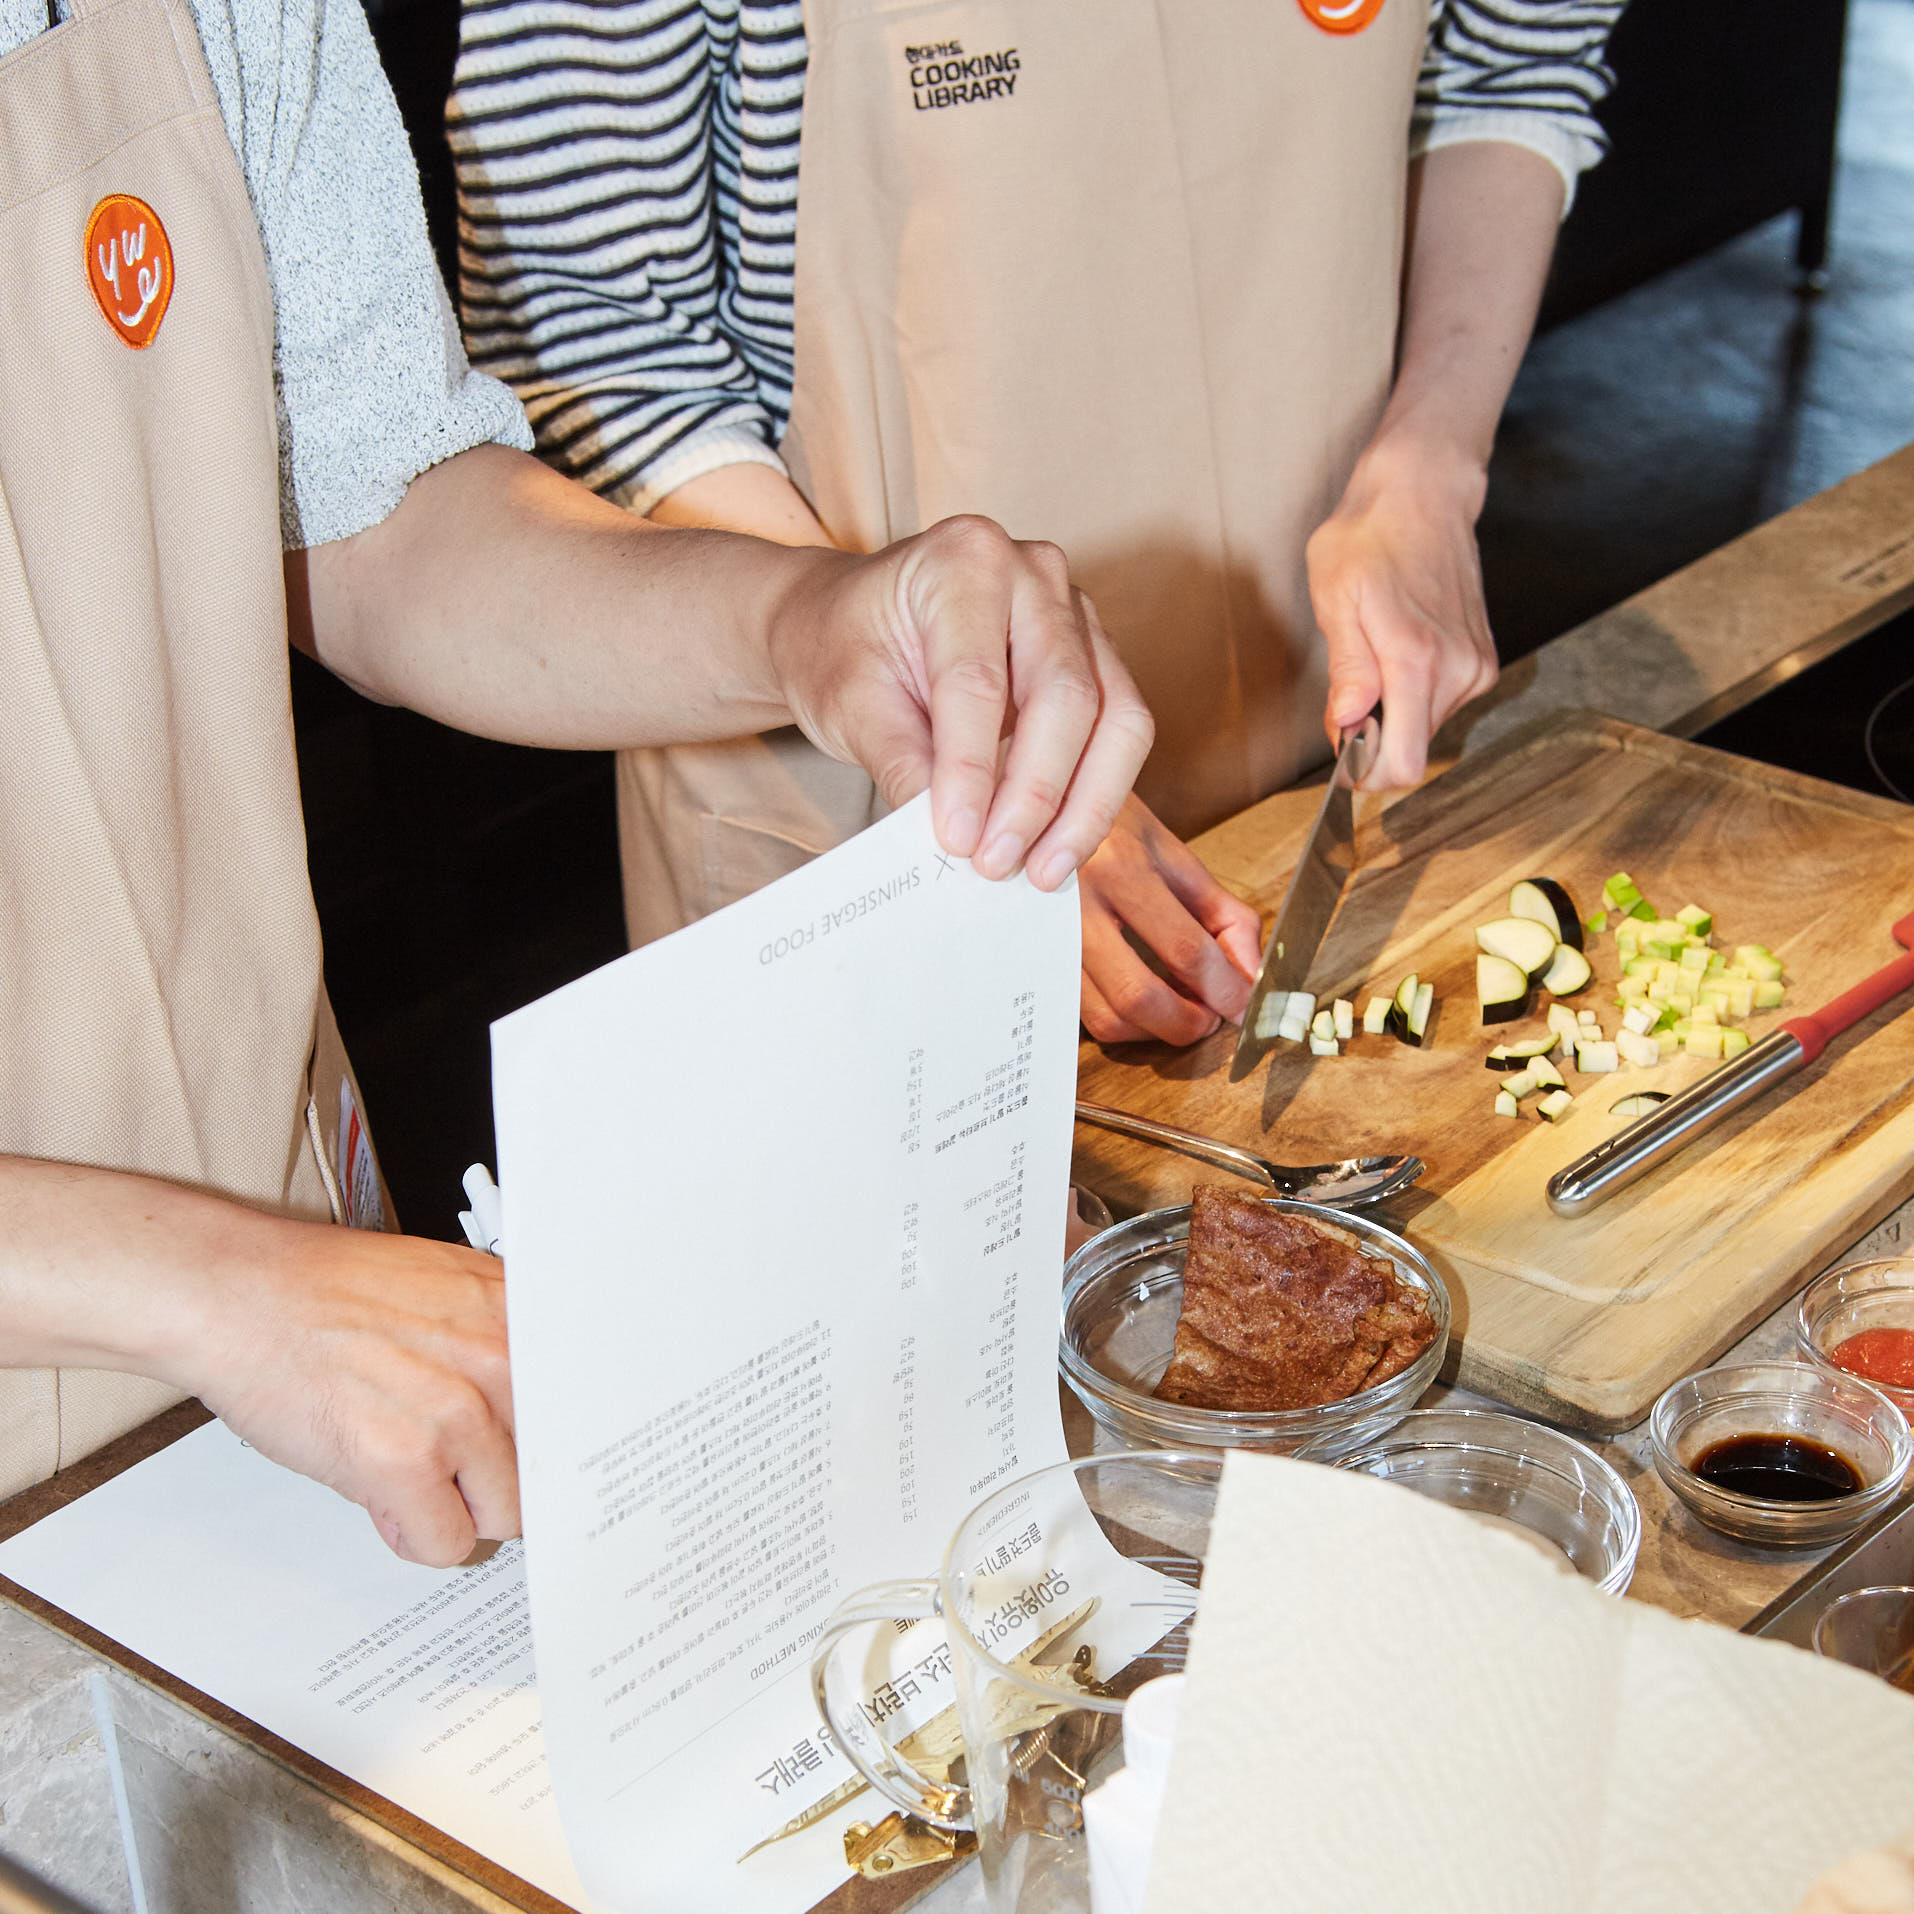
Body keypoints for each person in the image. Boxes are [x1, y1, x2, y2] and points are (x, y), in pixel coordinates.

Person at [0, 0, 1149, 1567]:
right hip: (232, 1296)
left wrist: (802, 620)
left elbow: (379, 519)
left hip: (292, 1285)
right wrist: (207, 1281)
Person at [448, 0, 1627, 1047]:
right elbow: (595, 345)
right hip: (865, 791)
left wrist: (1429, 462)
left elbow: (1514, 60)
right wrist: (987, 749)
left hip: (1309, 708)